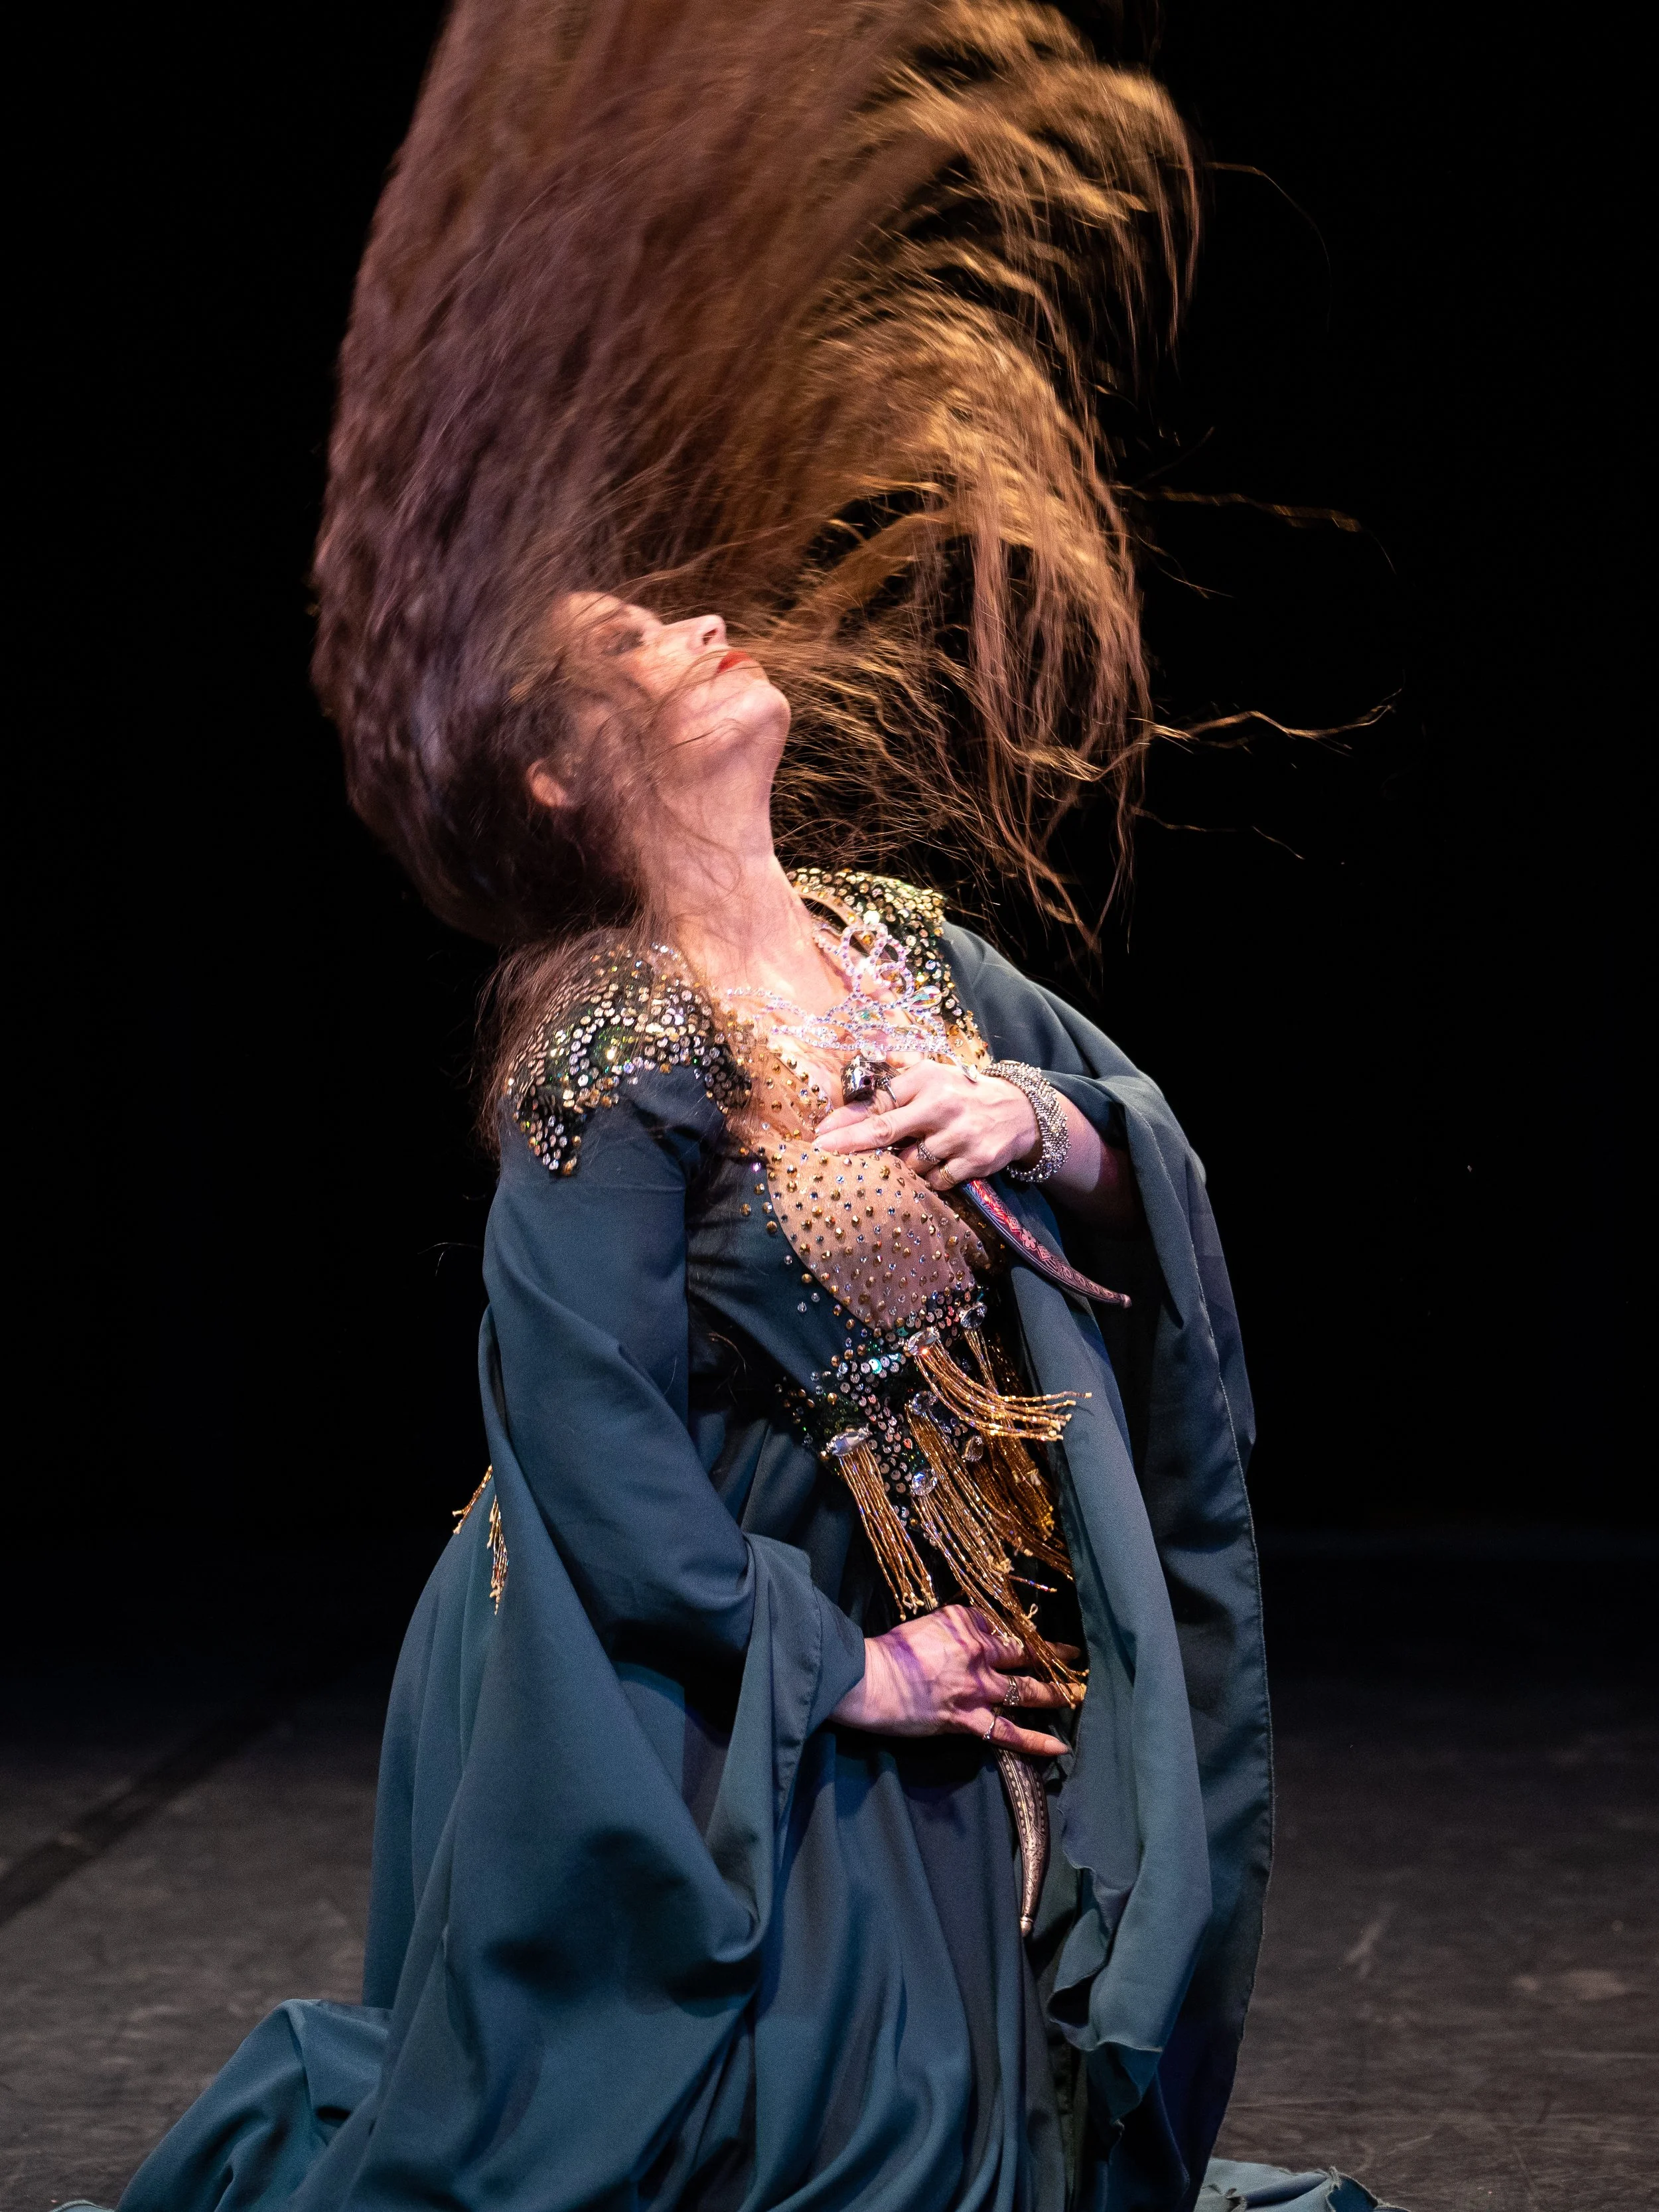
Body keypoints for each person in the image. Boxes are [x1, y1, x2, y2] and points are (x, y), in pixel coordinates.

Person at [108, 4, 1398, 2209]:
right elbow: (585, 1435)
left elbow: (1129, 1137)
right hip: (708, 1701)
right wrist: (845, 1670)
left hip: (951, 1644)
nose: (704, 624)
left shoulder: (897, 943)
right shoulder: (614, 1053)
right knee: (845, 2158)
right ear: (559, 772)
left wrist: (1034, 1124)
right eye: (641, 643)